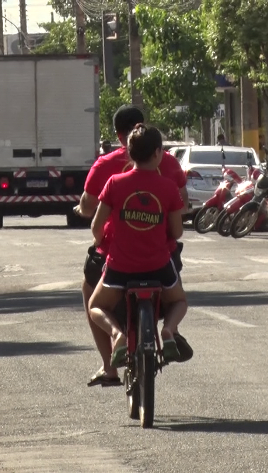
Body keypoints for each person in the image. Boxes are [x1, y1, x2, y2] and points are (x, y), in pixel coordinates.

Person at [74, 105, 191, 387]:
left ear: (120, 137)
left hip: (118, 262)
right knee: (179, 298)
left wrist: (101, 239)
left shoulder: (109, 173)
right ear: (158, 152)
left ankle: (111, 356)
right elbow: (179, 219)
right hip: (161, 260)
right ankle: (170, 331)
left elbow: (91, 214)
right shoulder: (169, 175)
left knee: (91, 296)